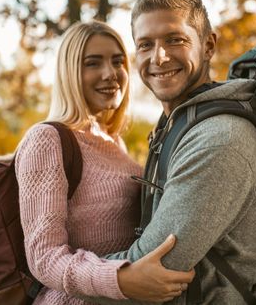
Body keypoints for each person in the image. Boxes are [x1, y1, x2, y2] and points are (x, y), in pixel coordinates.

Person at [98, 0, 256, 304]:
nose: (159, 57)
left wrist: (56, 271)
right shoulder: (179, 124)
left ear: (208, 45)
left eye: (174, 39)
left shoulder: (220, 141)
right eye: (145, 45)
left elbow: (149, 268)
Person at [15, 21, 195, 304]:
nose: (110, 74)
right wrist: (121, 279)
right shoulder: (47, 139)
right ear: (70, 72)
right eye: (92, 63)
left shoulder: (113, 142)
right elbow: (45, 258)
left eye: (117, 61)